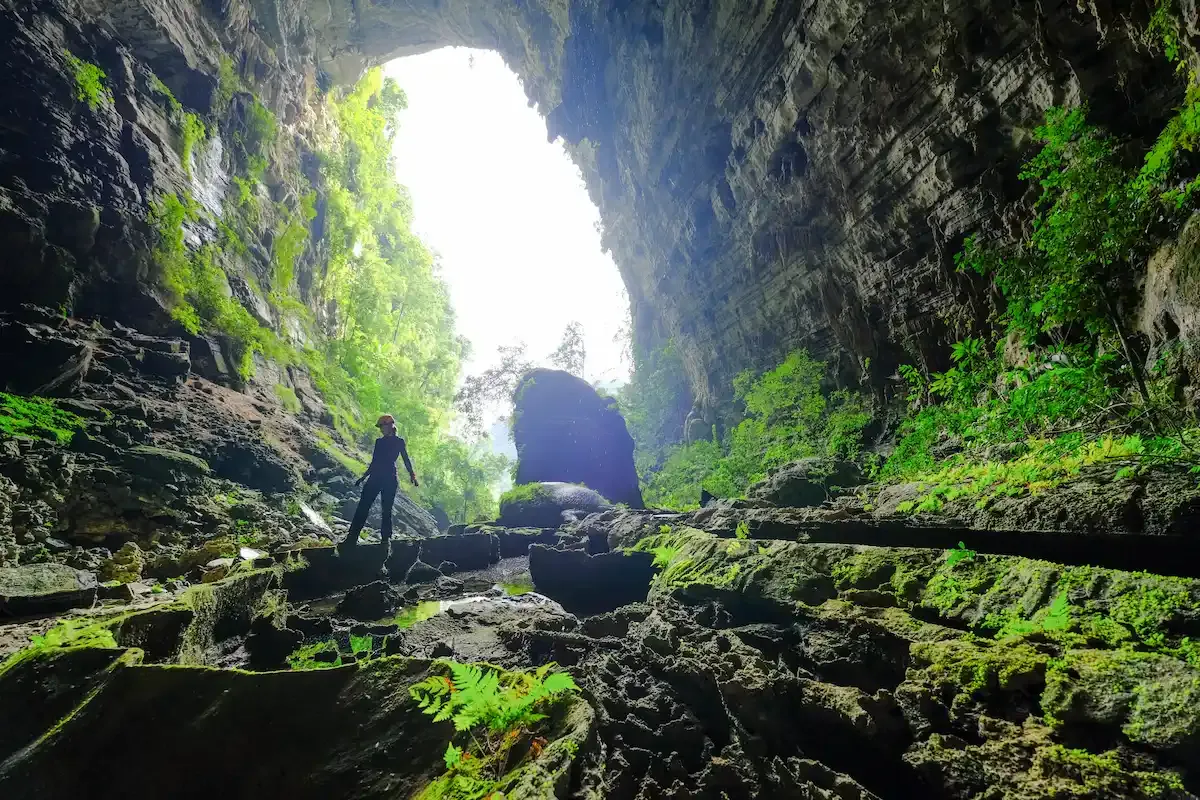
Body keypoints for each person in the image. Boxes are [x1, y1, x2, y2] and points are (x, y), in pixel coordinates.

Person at [339, 414, 418, 554]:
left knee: (386, 510)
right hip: (376, 477)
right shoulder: (379, 442)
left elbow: (406, 459)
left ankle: (385, 541)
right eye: (380, 427)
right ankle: (351, 539)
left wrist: (412, 475)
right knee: (363, 507)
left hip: (390, 479)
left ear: (390, 425)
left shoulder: (399, 442)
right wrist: (363, 477)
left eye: (382, 426)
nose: (381, 429)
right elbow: (374, 462)